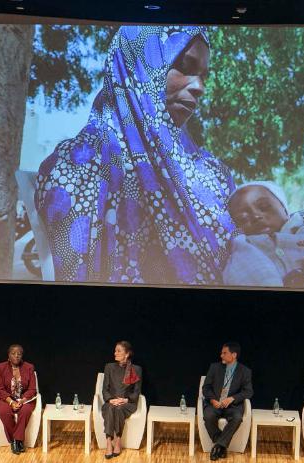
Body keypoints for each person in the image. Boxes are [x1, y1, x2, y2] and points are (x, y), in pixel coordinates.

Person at [35, 25, 236, 285]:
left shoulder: (213, 171)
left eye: (203, 76)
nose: (200, 87)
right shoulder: (77, 164)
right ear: (139, 64)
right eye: (185, 67)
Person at [201, 342, 253, 461]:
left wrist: (232, 398)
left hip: (232, 406)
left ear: (234, 355)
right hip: (215, 404)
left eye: (225, 353)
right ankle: (222, 445)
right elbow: (206, 388)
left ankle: (218, 446)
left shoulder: (245, 371)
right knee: (208, 416)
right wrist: (213, 400)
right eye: (221, 353)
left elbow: (248, 392)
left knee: (237, 417)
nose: (221, 355)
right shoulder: (214, 367)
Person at [100, 341, 142, 459]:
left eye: (119, 351)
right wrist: (110, 400)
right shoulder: (109, 367)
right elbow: (105, 389)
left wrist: (125, 400)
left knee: (118, 409)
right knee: (111, 408)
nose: (115, 353)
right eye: (115, 351)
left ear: (127, 354)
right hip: (111, 402)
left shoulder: (136, 369)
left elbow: (136, 392)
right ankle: (109, 442)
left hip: (128, 403)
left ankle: (118, 440)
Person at [0, 344, 37, 454]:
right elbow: (0, 389)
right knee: (4, 412)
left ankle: (16, 440)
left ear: (22, 356)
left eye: (19, 354)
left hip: (23, 399)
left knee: (26, 410)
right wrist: (11, 401)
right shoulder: (1, 367)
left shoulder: (29, 367)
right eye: (13, 353)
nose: (16, 356)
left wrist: (22, 400)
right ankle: (16, 441)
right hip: (6, 399)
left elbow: (32, 389)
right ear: (8, 355)